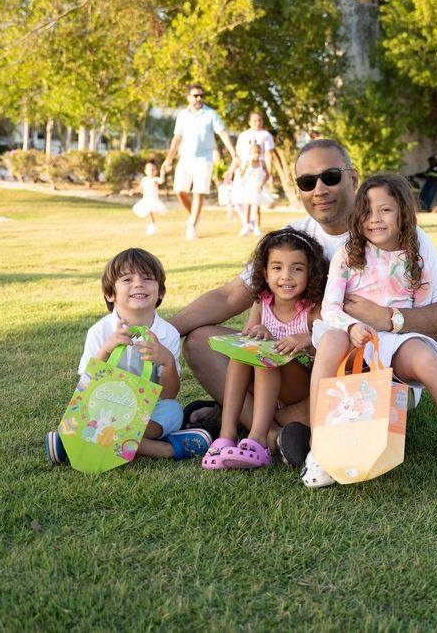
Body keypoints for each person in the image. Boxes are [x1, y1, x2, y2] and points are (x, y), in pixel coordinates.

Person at [171, 139, 437, 461]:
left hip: (367, 366)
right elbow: (232, 294)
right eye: (307, 182)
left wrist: (389, 318)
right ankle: (273, 436)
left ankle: (242, 419)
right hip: (298, 362)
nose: (319, 189)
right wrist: (164, 330)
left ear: (352, 178)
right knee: (200, 342)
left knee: (357, 378)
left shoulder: (400, 235)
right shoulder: (295, 238)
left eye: (331, 176)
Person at [302, 173, 437, 500]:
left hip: (392, 334)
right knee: (331, 342)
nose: (374, 219)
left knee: (427, 360)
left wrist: (388, 321)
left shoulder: (416, 250)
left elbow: (429, 307)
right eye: (367, 211)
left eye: (385, 210)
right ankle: (320, 448)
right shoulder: (349, 252)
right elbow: (330, 306)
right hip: (345, 328)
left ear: (403, 212)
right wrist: (349, 326)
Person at [45, 248, 211, 464]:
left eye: (147, 278)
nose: (138, 284)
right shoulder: (100, 331)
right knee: (86, 410)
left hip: (149, 407)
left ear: (160, 292)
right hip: (106, 403)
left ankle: (77, 439)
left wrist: (167, 362)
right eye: (127, 279)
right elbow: (86, 384)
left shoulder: (167, 333)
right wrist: (106, 349)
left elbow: (169, 394)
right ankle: (165, 450)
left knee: (173, 411)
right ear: (110, 293)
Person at [201, 228, 327, 470]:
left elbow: (327, 348)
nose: (286, 276)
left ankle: (258, 439)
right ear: (265, 272)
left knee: (262, 357)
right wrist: (259, 332)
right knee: (245, 354)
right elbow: (248, 338)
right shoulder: (262, 303)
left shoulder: (312, 310)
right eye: (277, 268)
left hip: (297, 388)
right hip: (265, 387)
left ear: (311, 273)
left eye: (297, 268)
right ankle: (226, 435)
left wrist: (309, 339)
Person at [161, 85, 237, 239]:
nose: (199, 98)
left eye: (201, 95)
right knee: (179, 191)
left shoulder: (210, 114)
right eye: (195, 95)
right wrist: (169, 158)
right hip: (185, 158)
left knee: (198, 193)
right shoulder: (182, 115)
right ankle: (194, 215)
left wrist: (233, 153)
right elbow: (177, 138)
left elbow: (222, 133)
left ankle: (192, 226)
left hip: (204, 159)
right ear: (188, 97)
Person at [230, 110, 276, 231]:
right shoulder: (243, 135)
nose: (257, 123)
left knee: (255, 200)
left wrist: (269, 173)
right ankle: (247, 223)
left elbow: (268, 155)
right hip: (245, 169)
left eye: (260, 120)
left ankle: (254, 224)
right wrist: (234, 169)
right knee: (240, 198)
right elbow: (238, 154)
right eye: (255, 120)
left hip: (258, 171)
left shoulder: (266, 135)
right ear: (250, 122)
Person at [230, 142, 273, 236]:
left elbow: (267, 175)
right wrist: (239, 169)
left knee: (257, 209)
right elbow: (241, 174)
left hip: (258, 189)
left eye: (258, 152)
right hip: (248, 188)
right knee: (247, 208)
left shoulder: (262, 163)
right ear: (250, 153)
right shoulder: (247, 162)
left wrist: (262, 183)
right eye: (254, 152)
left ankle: (257, 228)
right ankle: (246, 227)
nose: (256, 155)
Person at [132, 161, 167, 236]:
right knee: (147, 214)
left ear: (156, 171)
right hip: (146, 199)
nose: (151, 171)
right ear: (145, 171)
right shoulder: (144, 179)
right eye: (149, 170)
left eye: (153, 170)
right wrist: (134, 191)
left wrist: (163, 173)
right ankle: (150, 226)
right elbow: (140, 188)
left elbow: (161, 181)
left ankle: (153, 226)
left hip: (153, 200)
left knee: (149, 212)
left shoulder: (155, 179)